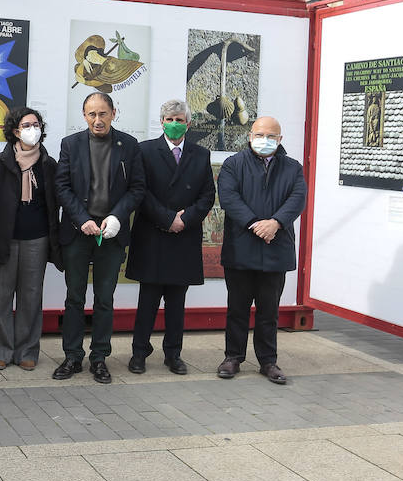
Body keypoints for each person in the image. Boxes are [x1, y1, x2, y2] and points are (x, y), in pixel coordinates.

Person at [53, 92, 145, 383]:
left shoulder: (129, 146)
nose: (97, 120)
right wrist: (82, 220)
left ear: (113, 113)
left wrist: (117, 216)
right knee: (74, 298)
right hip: (78, 232)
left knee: (105, 298)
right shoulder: (71, 144)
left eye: (102, 113)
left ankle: (99, 358)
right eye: (91, 114)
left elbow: (137, 188)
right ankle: (72, 357)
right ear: (84, 116)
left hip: (111, 232)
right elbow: (62, 187)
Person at [125, 99, 217, 375]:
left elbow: (207, 196)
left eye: (179, 119)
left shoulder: (200, 155)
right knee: (147, 301)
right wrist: (167, 219)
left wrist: (184, 220)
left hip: (184, 238)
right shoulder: (145, 151)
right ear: (161, 121)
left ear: (188, 124)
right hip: (153, 235)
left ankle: (173, 354)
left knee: (177, 303)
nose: (174, 124)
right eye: (169, 119)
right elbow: (140, 191)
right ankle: (139, 352)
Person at [216, 115, 307, 385]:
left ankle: (268, 361)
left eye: (271, 136)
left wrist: (276, 223)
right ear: (249, 136)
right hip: (242, 247)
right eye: (259, 134)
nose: (264, 140)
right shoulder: (234, 165)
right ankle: (233, 357)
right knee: (237, 308)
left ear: (280, 139)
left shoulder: (292, 168)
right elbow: (229, 197)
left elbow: (297, 198)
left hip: (275, 249)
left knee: (269, 310)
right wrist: (256, 224)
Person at [0, 107, 60, 371]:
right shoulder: (0, 162)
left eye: (36, 124)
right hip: (4, 238)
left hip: (37, 239)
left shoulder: (48, 165)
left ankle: (27, 350)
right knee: (1, 296)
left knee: (31, 296)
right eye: (26, 125)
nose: (33, 130)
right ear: (15, 131)